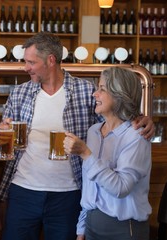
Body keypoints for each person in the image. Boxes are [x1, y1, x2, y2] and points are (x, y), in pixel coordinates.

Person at [0, 32, 154, 240]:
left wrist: (142, 119)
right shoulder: (19, 93)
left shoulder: (86, 90)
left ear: (50, 60)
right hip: (24, 190)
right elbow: (5, 147)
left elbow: (113, 122)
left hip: (69, 193)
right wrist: (2, 135)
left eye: (31, 62)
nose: (26, 68)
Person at [64, 66, 152, 240]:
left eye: (102, 89)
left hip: (124, 229)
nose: (94, 94)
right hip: (91, 225)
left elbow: (121, 188)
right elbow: (90, 188)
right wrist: (82, 227)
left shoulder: (136, 135)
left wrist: (86, 154)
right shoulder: (94, 131)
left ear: (120, 95)